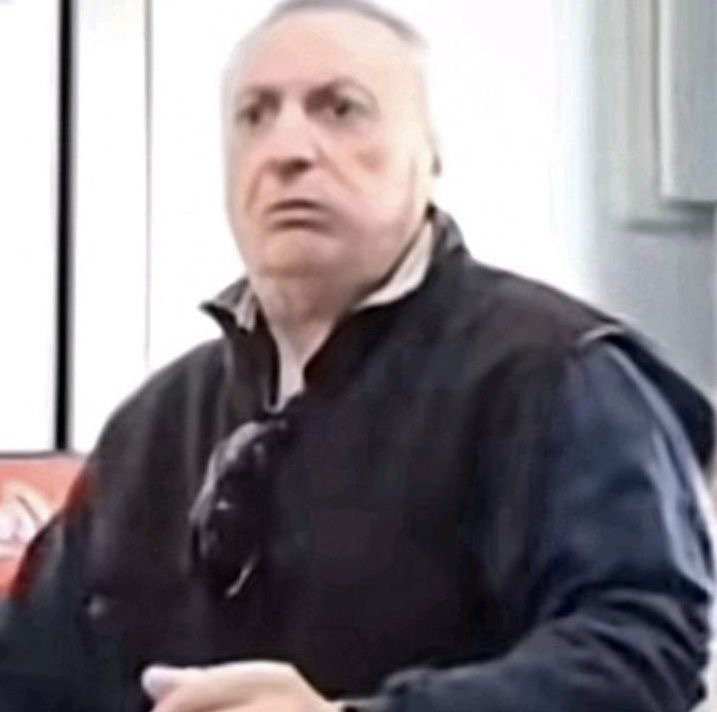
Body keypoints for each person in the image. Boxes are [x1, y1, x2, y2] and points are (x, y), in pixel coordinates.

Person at [1, 0, 715, 710]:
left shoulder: (554, 375)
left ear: (430, 154)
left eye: (340, 109)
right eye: (254, 115)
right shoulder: (154, 428)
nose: (287, 148)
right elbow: (32, 669)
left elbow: (642, 648)